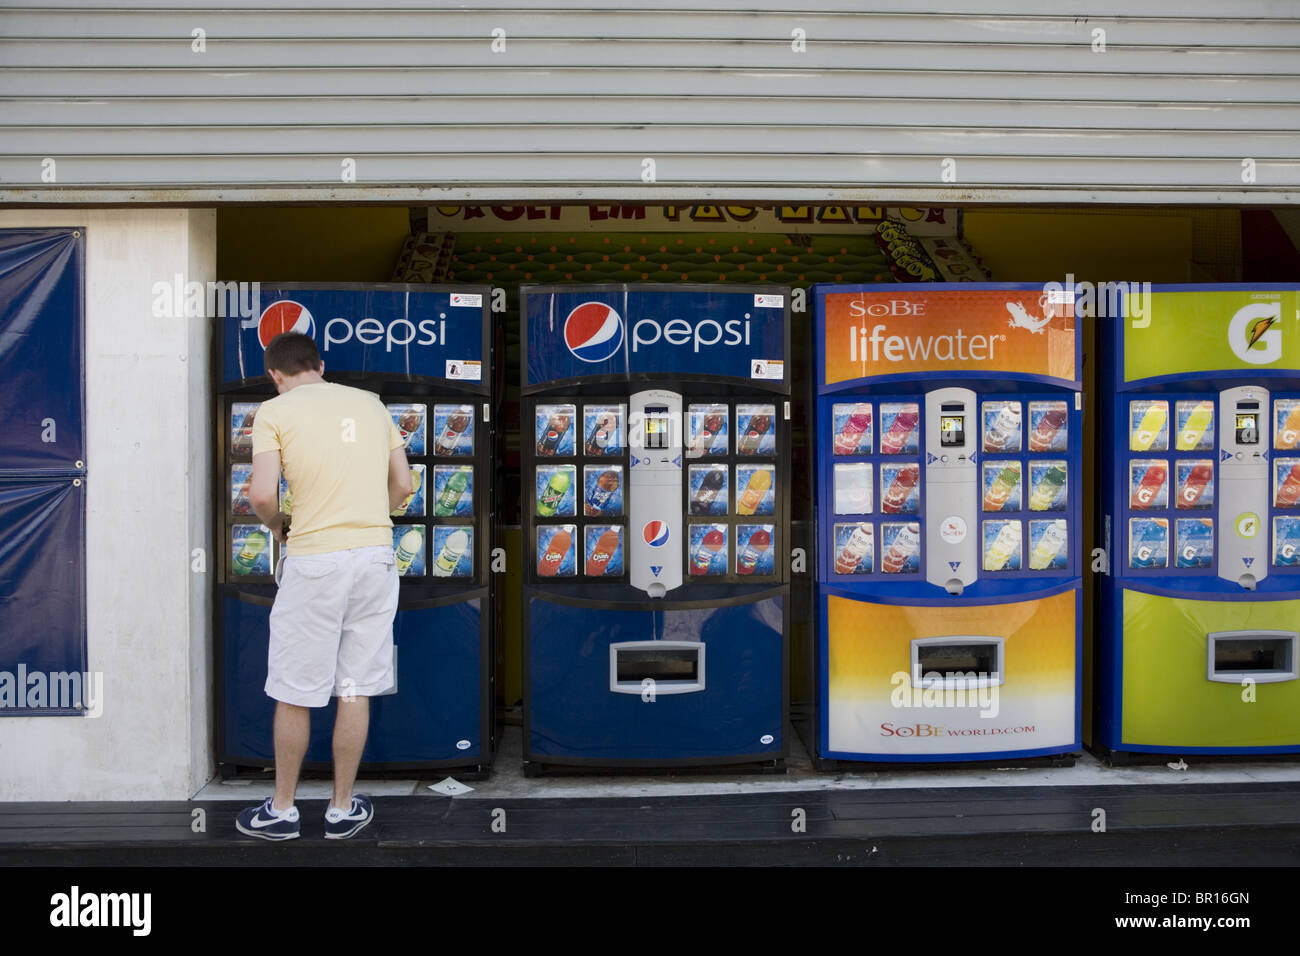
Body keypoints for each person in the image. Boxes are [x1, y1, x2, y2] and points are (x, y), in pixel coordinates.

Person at [235, 332, 412, 841]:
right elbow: (402, 484)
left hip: (314, 558)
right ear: (320, 364)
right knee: (353, 685)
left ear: (275, 374)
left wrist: (278, 526)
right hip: (375, 556)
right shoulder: (371, 404)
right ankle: (341, 809)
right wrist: (375, 516)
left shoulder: (274, 411)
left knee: (295, 688)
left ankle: (284, 810)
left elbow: (263, 494)